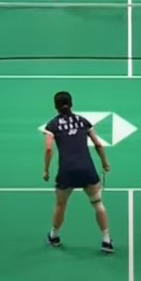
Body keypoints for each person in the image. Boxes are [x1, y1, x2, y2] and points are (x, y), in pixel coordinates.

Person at [42, 91, 114, 253]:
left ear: (55, 106)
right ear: (71, 104)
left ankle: (54, 236)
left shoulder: (52, 125)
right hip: (87, 169)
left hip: (67, 171)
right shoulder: (83, 121)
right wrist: (105, 163)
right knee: (98, 204)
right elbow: (98, 144)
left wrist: (46, 170)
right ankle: (106, 240)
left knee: (61, 204)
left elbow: (48, 149)